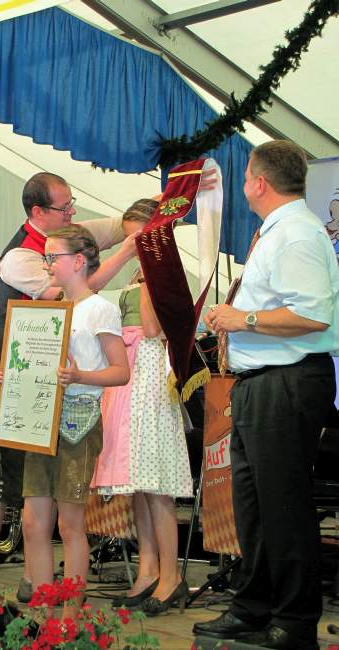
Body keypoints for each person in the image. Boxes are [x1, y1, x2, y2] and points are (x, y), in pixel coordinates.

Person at [194, 140, 339, 650]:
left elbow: (313, 315)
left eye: (245, 178)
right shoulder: (278, 231)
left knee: (282, 505)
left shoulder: (296, 233)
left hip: (288, 379)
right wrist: (234, 321)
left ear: (259, 182)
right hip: (263, 381)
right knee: (254, 506)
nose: (243, 186)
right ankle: (253, 607)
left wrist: (243, 318)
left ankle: (294, 621)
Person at [0, 172, 139, 595]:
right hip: (38, 418)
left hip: (76, 424)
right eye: (46, 257)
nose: (47, 264)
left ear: (78, 261)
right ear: (37, 211)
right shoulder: (34, 285)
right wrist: (10, 375)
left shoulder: (98, 309)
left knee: (69, 524)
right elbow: (34, 355)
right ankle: (37, 599)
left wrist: (81, 376)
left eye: (53, 258)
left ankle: (68, 608)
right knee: (29, 515)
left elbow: (119, 371)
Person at [91, 198, 193, 616]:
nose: (133, 245)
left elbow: (152, 328)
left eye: (139, 237)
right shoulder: (139, 272)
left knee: (156, 482)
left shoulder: (161, 273)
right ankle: (148, 569)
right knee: (137, 481)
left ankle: (171, 575)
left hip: (149, 372)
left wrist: (151, 275)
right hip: (131, 374)